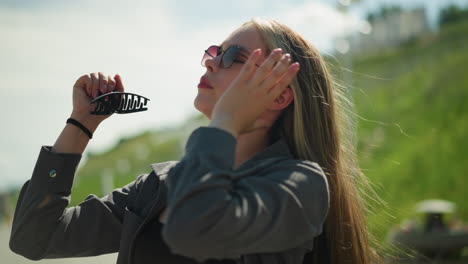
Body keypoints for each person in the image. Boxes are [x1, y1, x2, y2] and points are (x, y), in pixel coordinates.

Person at [9, 18, 376, 264]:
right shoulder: (160, 185)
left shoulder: (300, 186)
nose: (211, 63)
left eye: (233, 56)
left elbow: (194, 228)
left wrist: (227, 121)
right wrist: (81, 123)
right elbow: (34, 238)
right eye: (213, 53)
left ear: (279, 95)